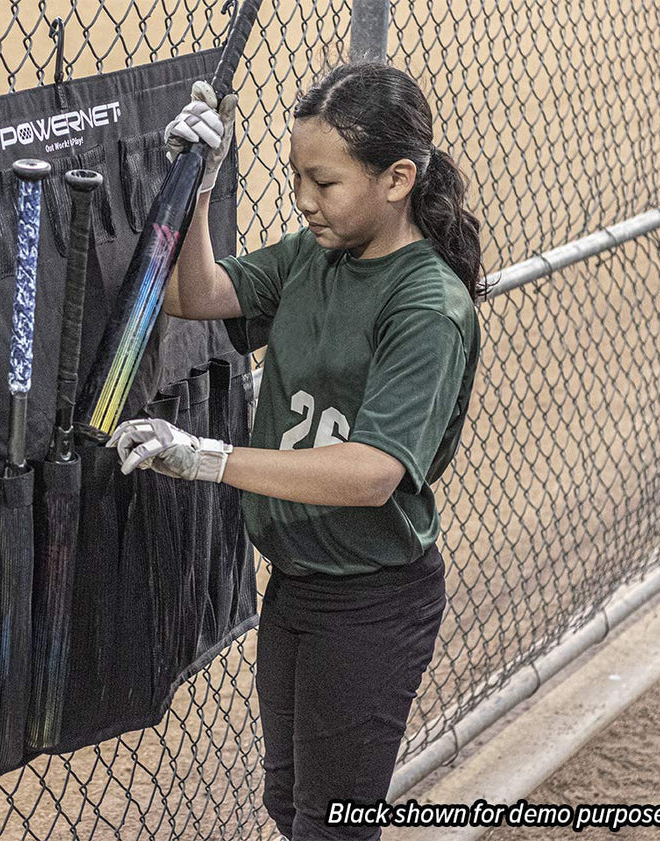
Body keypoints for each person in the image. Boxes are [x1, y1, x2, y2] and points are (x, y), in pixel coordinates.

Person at [109, 63, 483, 840]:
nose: (304, 200)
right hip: (298, 586)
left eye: (325, 182)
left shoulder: (426, 303)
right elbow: (194, 295)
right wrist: (201, 187)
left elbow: (373, 472)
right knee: (291, 807)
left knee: (332, 825)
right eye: (295, 178)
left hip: (372, 598)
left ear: (398, 179)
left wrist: (213, 458)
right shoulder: (313, 255)